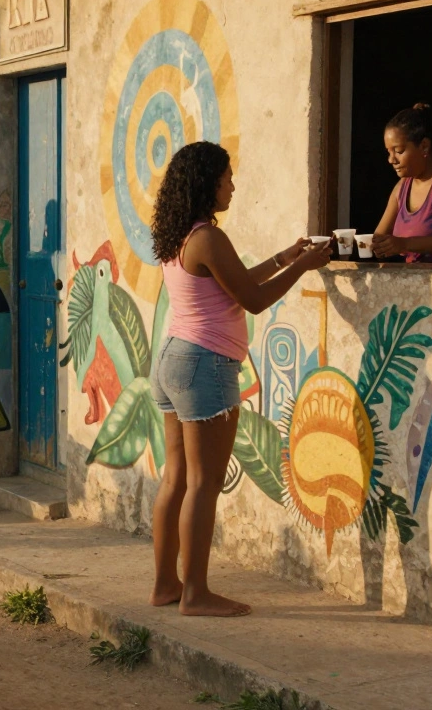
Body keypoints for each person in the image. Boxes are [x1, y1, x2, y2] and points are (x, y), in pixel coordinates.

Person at [147, 141, 330, 617]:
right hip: (204, 365)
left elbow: (232, 281)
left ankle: (167, 583)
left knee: (176, 480)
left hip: (172, 360)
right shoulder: (207, 235)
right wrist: (305, 266)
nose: (232, 184)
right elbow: (252, 299)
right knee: (204, 483)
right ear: (207, 182)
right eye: (227, 177)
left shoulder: (181, 234)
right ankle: (196, 593)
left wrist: (285, 256)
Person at [371, 103, 432, 263]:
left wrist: (405, 244)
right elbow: (378, 237)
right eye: (389, 152)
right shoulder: (402, 187)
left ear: (424, 146)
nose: (391, 160)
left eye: (399, 151)